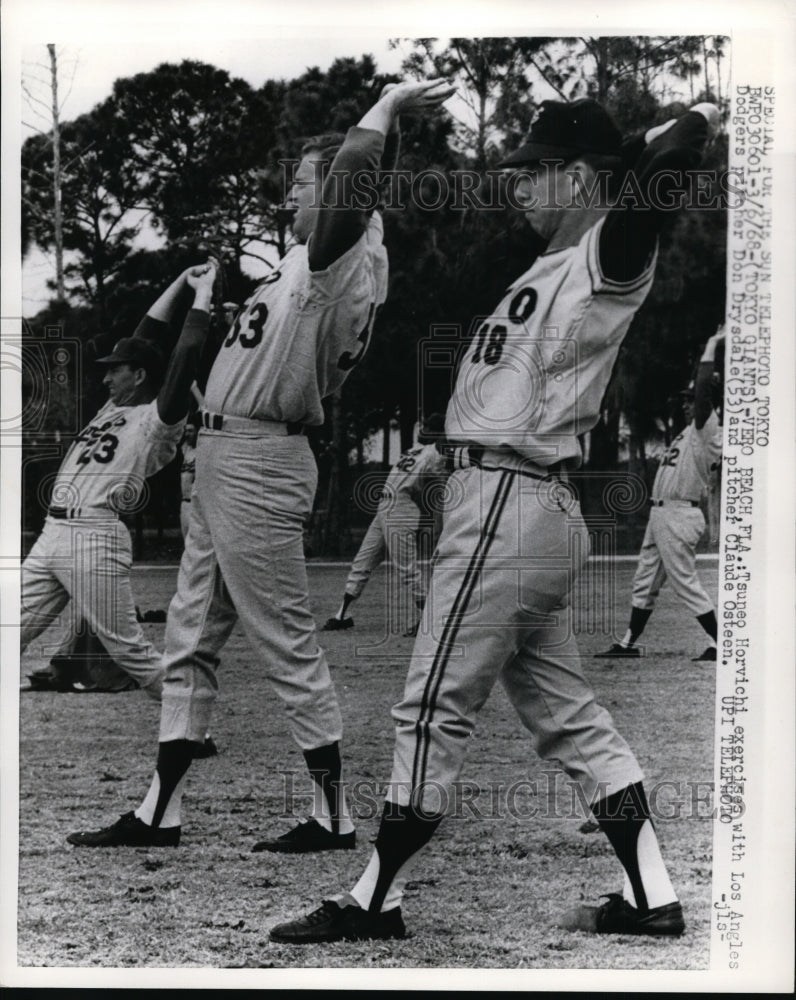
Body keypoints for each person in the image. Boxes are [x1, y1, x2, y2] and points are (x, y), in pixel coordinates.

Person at [270, 97, 720, 944]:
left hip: (509, 504)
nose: (516, 184)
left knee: (431, 703)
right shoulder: (548, 266)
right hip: (518, 505)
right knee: (568, 714)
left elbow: (663, 178)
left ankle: (374, 901)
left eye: (534, 170)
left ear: (581, 178)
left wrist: (680, 120)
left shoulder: (603, 253)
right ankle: (651, 894)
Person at [67, 79, 456, 852]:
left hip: (258, 457)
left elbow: (354, 184)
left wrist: (378, 112)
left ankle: (334, 816)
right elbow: (352, 186)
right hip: (225, 454)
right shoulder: (305, 260)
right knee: (189, 638)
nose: (294, 194)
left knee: (284, 639)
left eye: (306, 182)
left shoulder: (340, 256)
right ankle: (160, 811)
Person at [21, 261, 219, 702]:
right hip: (54, 533)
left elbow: (183, 357)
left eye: (116, 369)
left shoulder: (157, 418)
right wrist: (179, 282)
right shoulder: (113, 409)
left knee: (131, 652)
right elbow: (145, 333)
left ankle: (189, 728)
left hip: (94, 535)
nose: (107, 376)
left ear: (140, 375)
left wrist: (203, 301)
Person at [595, 330, 724, 662]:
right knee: (644, 581)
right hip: (663, 514)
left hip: (680, 514)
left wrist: (710, 346)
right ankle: (627, 644)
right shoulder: (687, 432)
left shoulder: (708, 428)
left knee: (683, 582)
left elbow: (703, 397)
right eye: (683, 399)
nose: (684, 403)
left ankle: (722, 642)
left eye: (688, 399)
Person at [322, 414, 451, 637]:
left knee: (407, 569)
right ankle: (340, 615)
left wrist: (438, 523)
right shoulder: (415, 449)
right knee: (362, 562)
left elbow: (439, 488)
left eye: (430, 427)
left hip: (401, 507)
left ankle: (429, 620)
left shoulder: (436, 455)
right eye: (424, 425)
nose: (423, 429)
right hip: (385, 506)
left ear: (439, 432)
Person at [179, 416, 200, 538]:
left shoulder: (202, 451)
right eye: (186, 431)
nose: (187, 434)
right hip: (184, 503)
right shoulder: (185, 449)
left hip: (196, 504)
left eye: (191, 431)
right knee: (185, 541)